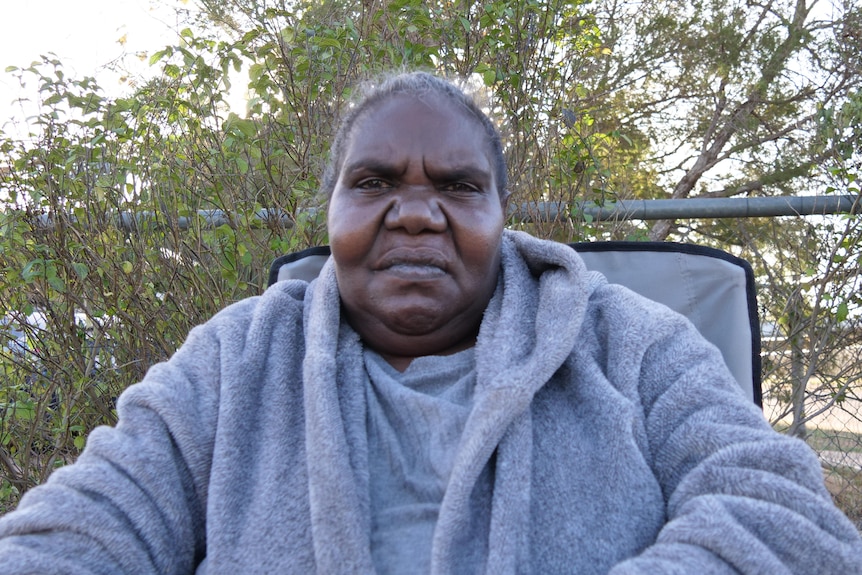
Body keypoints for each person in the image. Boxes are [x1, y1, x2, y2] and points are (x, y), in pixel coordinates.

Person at [0, 71, 860, 574]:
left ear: (505, 217)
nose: (416, 214)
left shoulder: (632, 341)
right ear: (329, 211)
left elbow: (783, 510)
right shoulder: (236, 358)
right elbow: (77, 531)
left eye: (456, 186)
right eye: (373, 182)